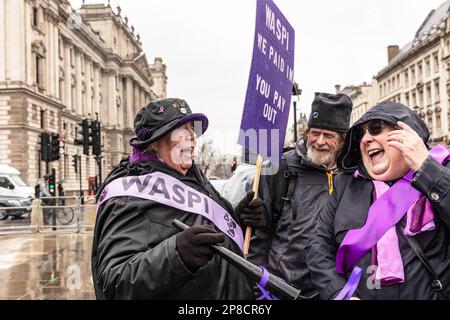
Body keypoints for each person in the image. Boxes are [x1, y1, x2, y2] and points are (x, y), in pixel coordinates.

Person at [91, 98, 255, 300]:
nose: (193, 136)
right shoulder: (129, 194)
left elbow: (206, 231)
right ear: (153, 144)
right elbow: (115, 282)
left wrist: (237, 218)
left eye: (192, 130)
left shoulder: (193, 177)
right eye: (183, 130)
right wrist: (176, 255)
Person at [307, 101, 450, 300]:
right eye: (361, 134)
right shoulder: (345, 184)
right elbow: (318, 245)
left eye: (375, 129)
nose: (366, 138)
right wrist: (339, 294)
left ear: (407, 134)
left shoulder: (442, 172)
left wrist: (427, 170)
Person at [244, 93, 353, 298]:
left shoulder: (352, 174)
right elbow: (259, 235)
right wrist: (258, 286)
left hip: (334, 289)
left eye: (329, 136)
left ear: (342, 140)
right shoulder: (281, 167)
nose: (319, 141)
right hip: (282, 288)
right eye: (315, 133)